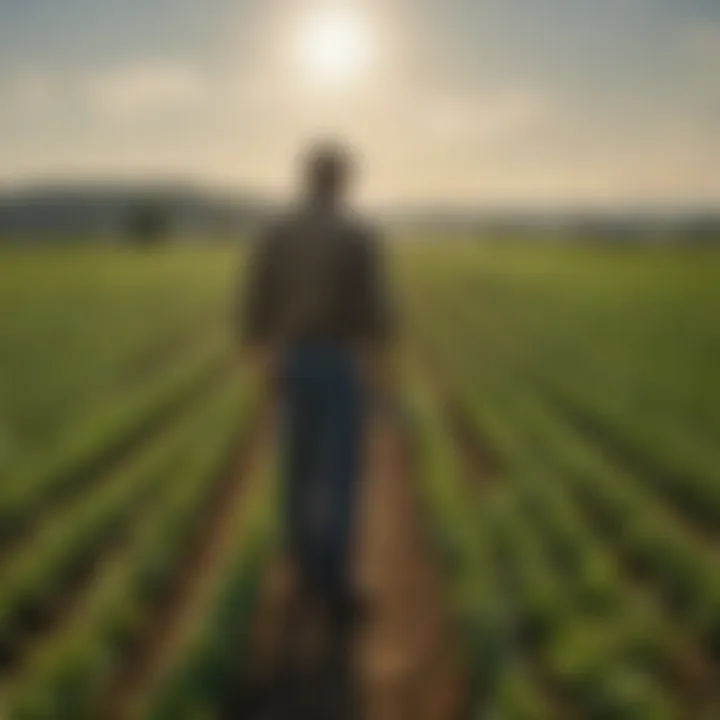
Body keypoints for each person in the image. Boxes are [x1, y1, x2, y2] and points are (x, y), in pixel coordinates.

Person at [240, 140, 394, 706]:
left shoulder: (275, 232)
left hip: (291, 357)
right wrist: (378, 367)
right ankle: (331, 580)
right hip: (337, 359)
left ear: (305, 178)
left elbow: (254, 296)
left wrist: (263, 354)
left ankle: (299, 565)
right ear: (342, 181)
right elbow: (374, 310)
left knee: (296, 465)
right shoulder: (356, 235)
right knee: (341, 472)